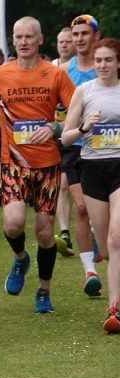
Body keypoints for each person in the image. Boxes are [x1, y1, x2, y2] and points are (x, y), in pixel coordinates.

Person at [0, 17, 75, 314]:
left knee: (45, 234)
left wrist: (55, 129)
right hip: (14, 162)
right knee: (14, 223)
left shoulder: (55, 75)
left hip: (48, 165)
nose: (23, 42)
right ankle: (20, 258)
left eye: (29, 37)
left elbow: (75, 111)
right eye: (18, 37)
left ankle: (43, 291)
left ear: (40, 39)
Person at [61, 37, 120, 332]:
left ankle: (114, 309)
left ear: (118, 62)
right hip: (92, 168)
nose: (103, 65)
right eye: (98, 60)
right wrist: (85, 127)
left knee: (116, 238)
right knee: (108, 251)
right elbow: (66, 137)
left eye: (108, 60)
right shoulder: (84, 91)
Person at [53, 15, 102, 295]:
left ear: (95, 36)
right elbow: (52, 108)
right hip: (74, 148)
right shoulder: (62, 71)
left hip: (108, 148)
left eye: (85, 33)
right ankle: (89, 272)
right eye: (76, 34)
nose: (80, 38)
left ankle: (101, 239)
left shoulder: (106, 67)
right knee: (82, 207)